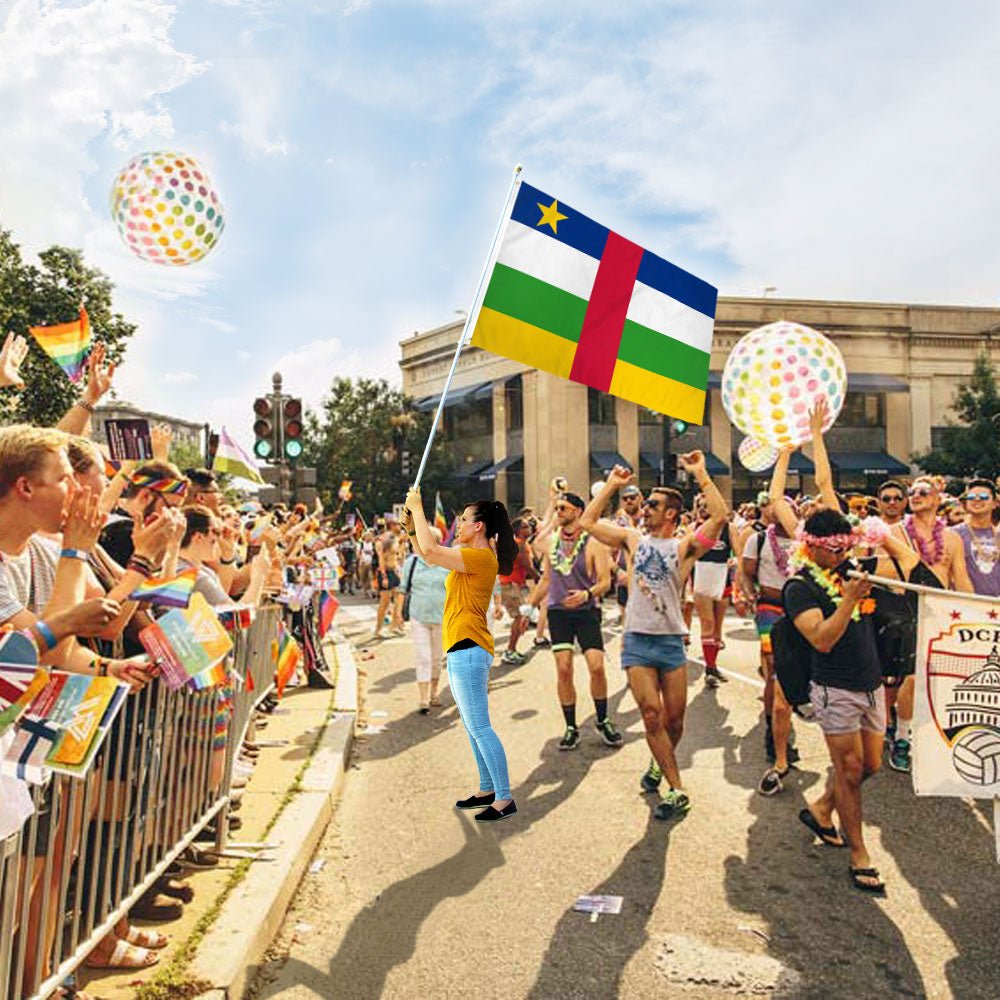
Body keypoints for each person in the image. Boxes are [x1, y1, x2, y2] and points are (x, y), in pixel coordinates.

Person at [582, 452, 727, 819]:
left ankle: (657, 764)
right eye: (645, 504)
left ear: (671, 515)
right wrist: (612, 485)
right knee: (650, 714)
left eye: (653, 505)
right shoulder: (632, 540)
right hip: (637, 642)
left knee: (674, 722)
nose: (645, 509)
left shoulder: (684, 547)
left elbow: (720, 517)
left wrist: (700, 474)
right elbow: (588, 521)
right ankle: (677, 789)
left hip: (670, 642)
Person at [781, 507, 887, 895]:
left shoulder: (853, 571)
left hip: (871, 684)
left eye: (846, 548)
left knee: (870, 766)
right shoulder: (800, 587)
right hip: (834, 687)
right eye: (833, 549)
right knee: (849, 771)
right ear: (810, 547)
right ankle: (859, 853)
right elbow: (822, 639)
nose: (841, 556)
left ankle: (822, 808)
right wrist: (847, 600)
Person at [403, 489, 517, 822]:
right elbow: (427, 554)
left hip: (469, 647)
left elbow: (430, 549)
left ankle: (505, 797)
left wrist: (417, 508)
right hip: (461, 647)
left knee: (480, 726)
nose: (459, 524)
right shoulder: (468, 555)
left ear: (480, 526)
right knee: (472, 726)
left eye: (465, 519)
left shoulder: (481, 558)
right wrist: (412, 528)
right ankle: (487, 788)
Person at [528, 491, 622, 750]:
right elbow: (545, 575)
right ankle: (571, 726)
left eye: (563, 508)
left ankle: (602, 720)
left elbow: (605, 582)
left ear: (578, 512)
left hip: (586, 611)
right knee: (564, 668)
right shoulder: (551, 542)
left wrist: (586, 594)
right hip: (558, 612)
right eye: (557, 508)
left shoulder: (594, 543)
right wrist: (530, 606)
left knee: (596, 667)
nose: (559, 512)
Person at [399, 526, 451, 712]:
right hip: (418, 616)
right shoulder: (411, 563)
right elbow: (403, 589)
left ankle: (433, 693)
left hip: (442, 617)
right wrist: (397, 613)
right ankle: (422, 698)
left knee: (436, 658)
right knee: (423, 658)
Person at [691, 492, 732, 688]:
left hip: (723, 576)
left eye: (708, 505)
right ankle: (709, 668)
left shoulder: (728, 528)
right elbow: (685, 557)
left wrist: (734, 562)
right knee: (707, 623)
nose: (704, 508)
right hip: (702, 575)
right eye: (701, 505)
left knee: (717, 627)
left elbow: (740, 552)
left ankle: (713, 665)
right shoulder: (694, 528)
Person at [498, 517, 538, 665]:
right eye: (525, 527)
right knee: (519, 617)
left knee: (521, 617)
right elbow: (527, 566)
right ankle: (510, 651)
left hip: (511, 583)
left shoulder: (519, 544)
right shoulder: (519, 545)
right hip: (510, 584)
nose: (529, 529)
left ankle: (511, 649)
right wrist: (539, 579)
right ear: (518, 530)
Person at [953, 479, 1000, 597]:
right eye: (971, 496)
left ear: (995, 503)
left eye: (984, 496)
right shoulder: (953, 534)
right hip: (965, 606)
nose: (977, 499)